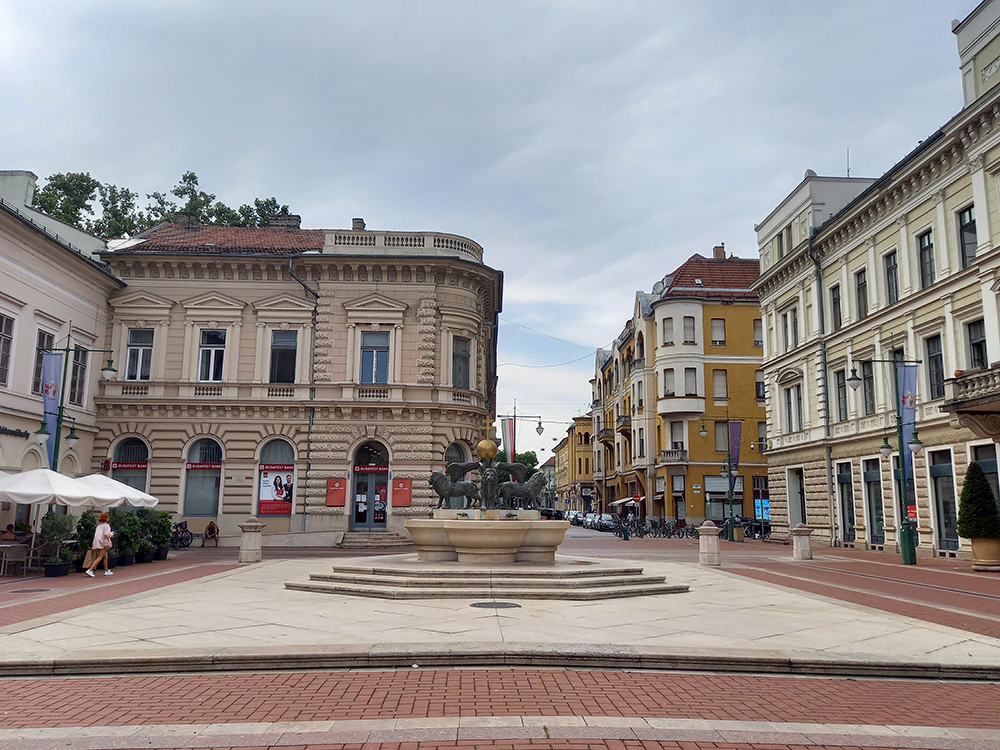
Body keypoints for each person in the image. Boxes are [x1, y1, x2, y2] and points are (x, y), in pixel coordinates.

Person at [86, 512, 114, 577]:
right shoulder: (106, 526)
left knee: (105, 556)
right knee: (100, 557)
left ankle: (106, 570)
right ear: (106, 518)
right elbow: (106, 535)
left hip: (98, 543)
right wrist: (111, 534)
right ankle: (90, 570)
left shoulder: (99, 526)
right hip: (103, 544)